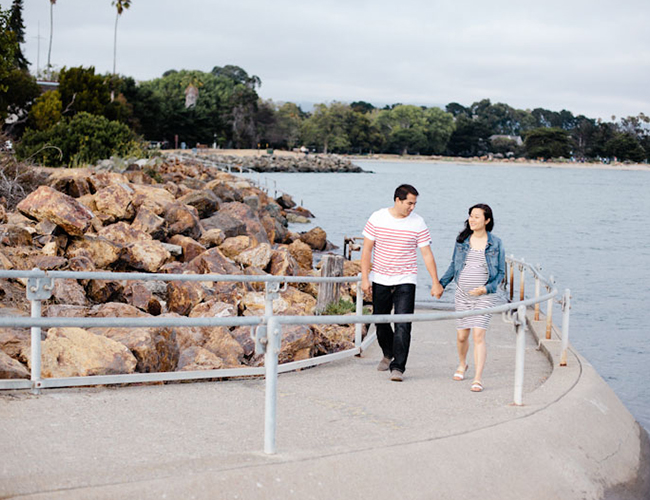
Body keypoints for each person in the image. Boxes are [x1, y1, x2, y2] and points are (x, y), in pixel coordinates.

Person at [361, 184, 444, 382]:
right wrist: (365, 278)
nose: (412, 208)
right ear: (397, 200)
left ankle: (398, 367)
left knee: (403, 324)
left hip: (406, 279)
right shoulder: (377, 217)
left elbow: (426, 253)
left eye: (414, 204)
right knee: (380, 321)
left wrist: (435, 282)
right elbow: (366, 250)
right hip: (380, 278)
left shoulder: (418, 223)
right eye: (409, 203)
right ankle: (388, 353)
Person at [439, 204, 505, 393]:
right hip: (462, 294)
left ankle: (478, 378)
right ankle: (462, 364)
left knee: (479, 335)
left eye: (477, 216)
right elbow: (454, 265)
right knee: (462, 336)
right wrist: (441, 284)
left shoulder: (496, 243)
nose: (472, 219)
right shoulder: (462, 241)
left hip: (485, 296)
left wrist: (486, 288)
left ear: (487, 220)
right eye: (470, 216)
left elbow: (501, 272)